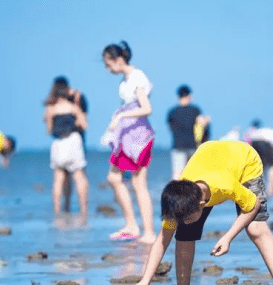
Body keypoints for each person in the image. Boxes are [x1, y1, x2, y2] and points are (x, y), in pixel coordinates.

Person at [130, 140, 273, 285]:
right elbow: (162, 240)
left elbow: (253, 206)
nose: (182, 223)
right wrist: (145, 280)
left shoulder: (224, 185)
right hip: (210, 156)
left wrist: (228, 237)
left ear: (202, 204)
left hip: (245, 159)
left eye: (186, 219)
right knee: (184, 234)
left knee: (256, 228)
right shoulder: (181, 197)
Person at [102, 41, 156, 244]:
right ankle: (132, 225)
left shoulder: (137, 77)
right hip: (127, 136)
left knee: (138, 183)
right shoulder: (125, 80)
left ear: (118, 60)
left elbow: (147, 108)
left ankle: (149, 233)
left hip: (139, 136)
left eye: (108, 64)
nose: (108, 69)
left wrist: (121, 118)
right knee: (114, 178)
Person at [43, 76, 89, 217]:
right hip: (73, 140)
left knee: (58, 179)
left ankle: (58, 211)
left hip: (58, 143)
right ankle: (83, 211)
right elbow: (84, 125)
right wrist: (76, 104)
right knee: (79, 176)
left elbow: (49, 130)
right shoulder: (73, 107)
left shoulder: (50, 108)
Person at [167, 84, 210, 180]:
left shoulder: (172, 112)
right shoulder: (195, 110)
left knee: (177, 172)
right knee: (192, 173)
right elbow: (201, 123)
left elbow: (170, 128)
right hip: (192, 145)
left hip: (177, 145)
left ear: (178, 96)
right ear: (189, 96)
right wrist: (207, 121)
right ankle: (191, 194)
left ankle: (174, 193)